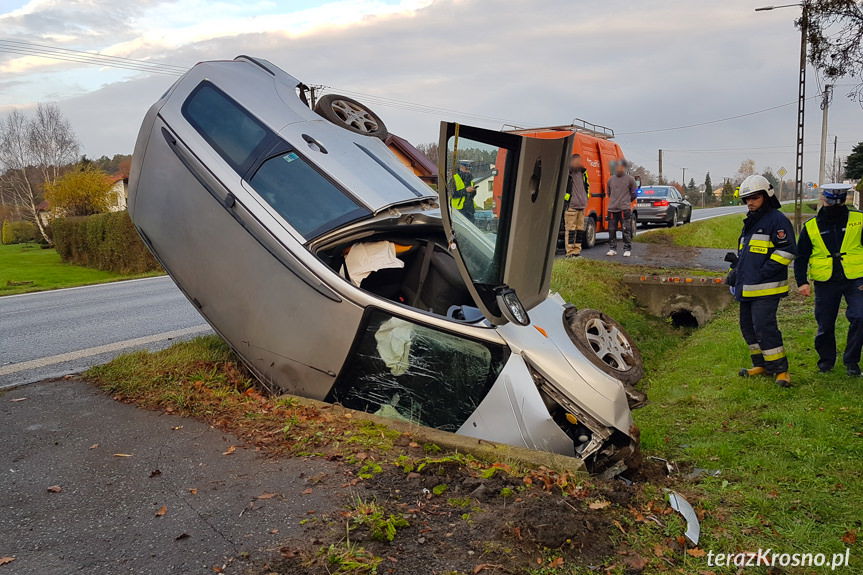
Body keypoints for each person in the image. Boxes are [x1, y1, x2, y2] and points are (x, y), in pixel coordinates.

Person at [728, 174, 796, 387]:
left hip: (766, 288)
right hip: (747, 287)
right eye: (746, 199)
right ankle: (762, 364)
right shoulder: (751, 221)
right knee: (747, 327)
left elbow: (786, 251)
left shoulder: (777, 220)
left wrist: (762, 272)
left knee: (764, 327)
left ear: (766, 196)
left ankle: (781, 370)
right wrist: (736, 270)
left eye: (754, 198)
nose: (750, 202)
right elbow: (749, 253)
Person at [793, 183, 863, 376]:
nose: (835, 204)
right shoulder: (812, 226)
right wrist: (802, 282)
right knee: (825, 323)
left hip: (856, 279)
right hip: (826, 280)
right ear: (824, 199)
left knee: (860, 317)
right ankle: (826, 362)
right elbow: (801, 257)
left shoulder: (859, 219)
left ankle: (852, 361)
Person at [605, 160, 638, 257]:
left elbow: (634, 194)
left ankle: (627, 248)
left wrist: (627, 201)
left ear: (624, 167)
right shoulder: (610, 180)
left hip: (624, 209)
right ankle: (612, 248)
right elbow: (609, 193)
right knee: (611, 230)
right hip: (612, 209)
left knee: (626, 229)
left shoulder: (630, 179)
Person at [563, 154, 590, 258]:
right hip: (571, 206)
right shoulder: (568, 172)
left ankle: (577, 252)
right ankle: (569, 252)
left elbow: (587, 185)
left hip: (581, 205)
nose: (579, 162)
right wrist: (566, 200)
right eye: (576, 161)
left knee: (579, 230)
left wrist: (586, 198)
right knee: (570, 230)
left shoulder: (583, 172)